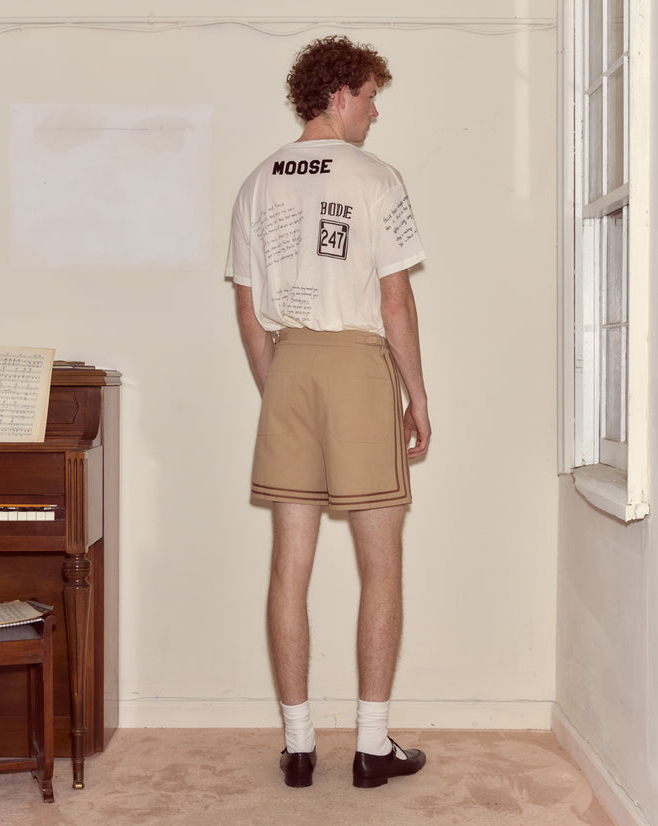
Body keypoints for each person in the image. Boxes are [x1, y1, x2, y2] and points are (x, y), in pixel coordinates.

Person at [225, 34, 431, 789]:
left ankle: (301, 746)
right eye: (372, 97)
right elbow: (395, 300)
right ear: (340, 94)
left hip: (290, 366)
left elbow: (249, 313)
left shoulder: (257, 182)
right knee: (382, 564)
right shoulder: (376, 177)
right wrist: (418, 395)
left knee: (290, 565)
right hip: (354, 365)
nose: (375, 113)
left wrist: (277, 386)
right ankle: (372, 747)